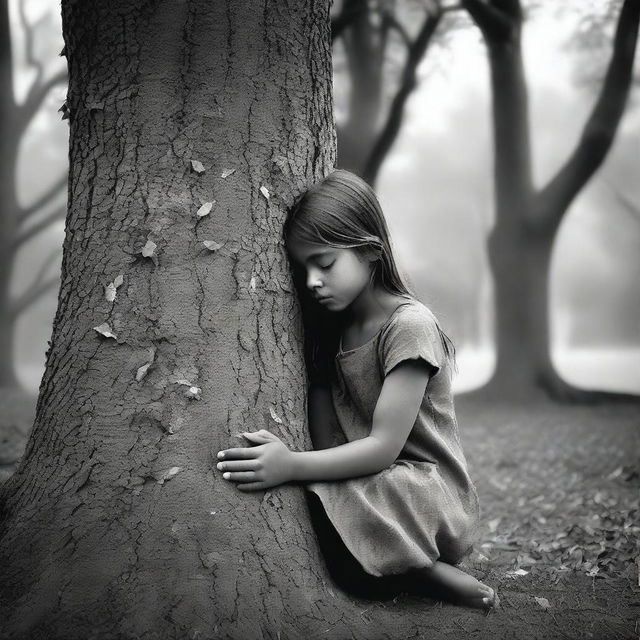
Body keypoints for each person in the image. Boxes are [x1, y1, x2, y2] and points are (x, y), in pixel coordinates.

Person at [216, 170, 498, 610]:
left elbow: (385, 447)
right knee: (316, 519)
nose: (312, 281)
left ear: (369, 250)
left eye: (325, 264)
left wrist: (291, 464)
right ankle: (407, 571)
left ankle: (427, 572)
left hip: (423, 492)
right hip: (370, 484)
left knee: (320, 505)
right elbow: (327, 433)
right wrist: (303, 469)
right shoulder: (332, 331)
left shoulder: (409, 327)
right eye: (301, 268)